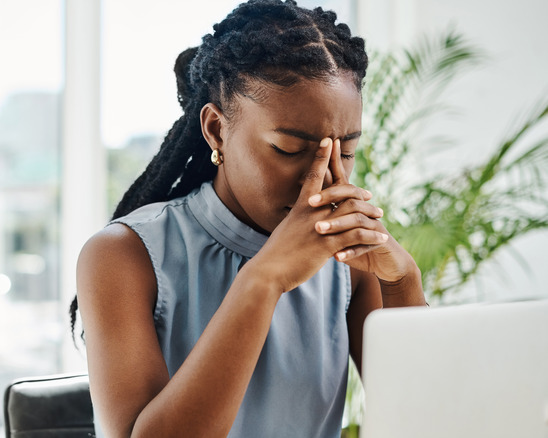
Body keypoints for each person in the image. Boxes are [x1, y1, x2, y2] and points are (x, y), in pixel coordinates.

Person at [70, 1, 427, 436]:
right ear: (217, 130)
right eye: (289, 150)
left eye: (346, 151)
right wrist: (263, 279)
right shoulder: (125, 255)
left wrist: (403, 281)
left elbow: (428, 421)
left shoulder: (349, 261)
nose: (325, 178)